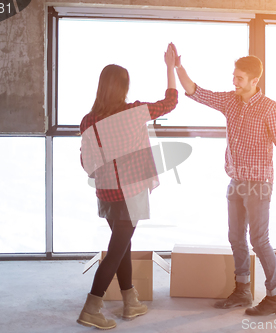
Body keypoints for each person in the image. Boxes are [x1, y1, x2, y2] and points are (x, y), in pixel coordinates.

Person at [172, 45, 276, 316]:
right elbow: (196, 92)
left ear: (254, 80)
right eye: (233, 77)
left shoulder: (270, 109)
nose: (234, 82)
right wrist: (178, 67)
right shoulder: (230, 101)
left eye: (239, 78)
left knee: (259, 241)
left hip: (259, 184)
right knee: (236, 238)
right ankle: (242, 291)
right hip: (236, 181)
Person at [77, 44, 178, 329]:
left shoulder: (88, 121)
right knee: (116, 250)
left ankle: (131, 301)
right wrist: (170, 67)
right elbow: (170, 102)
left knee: (122, 246)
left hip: (106, 194)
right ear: (123, 88)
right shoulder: (132, 113)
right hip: (129, 194)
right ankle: (91, 307)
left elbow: (85, 162)